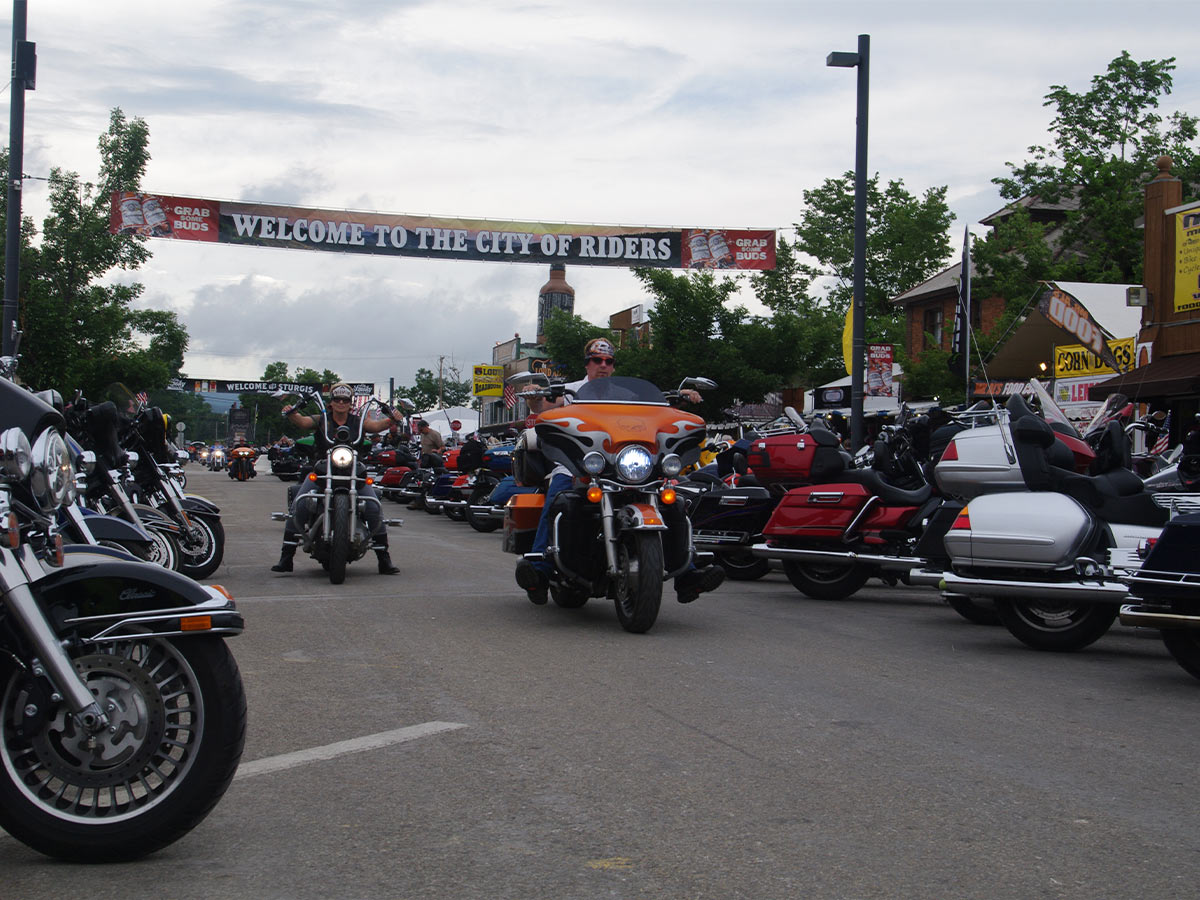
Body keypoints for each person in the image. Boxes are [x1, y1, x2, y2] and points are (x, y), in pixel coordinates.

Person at [513, 337, 724, 605]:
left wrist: (681, 399)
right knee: (557, 495)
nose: (602, 365)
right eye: (596, 360)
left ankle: (688, 575)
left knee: (674, 502)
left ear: (613, 365)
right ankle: (540, 570)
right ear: (587, 363)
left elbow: (658, 413)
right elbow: (542, 409)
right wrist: (535, 395)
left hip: (626, 465)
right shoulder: (568, 390)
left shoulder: (628, 395)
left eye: (608, 361)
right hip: (579, 464)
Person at [271, 382, 405, 575]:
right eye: (337, 399)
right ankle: (286, 557)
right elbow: (302, 422)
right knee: (299, 505)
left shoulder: (358, 422)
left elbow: (376, 426)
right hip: (322, 469)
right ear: (331, 402)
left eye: (345, 400)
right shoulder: (321, 419)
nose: (341, 403)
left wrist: (392, 419)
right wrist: (291, 412)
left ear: (351, 404)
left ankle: (384, 559)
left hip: (353, 471)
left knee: (374, 507)